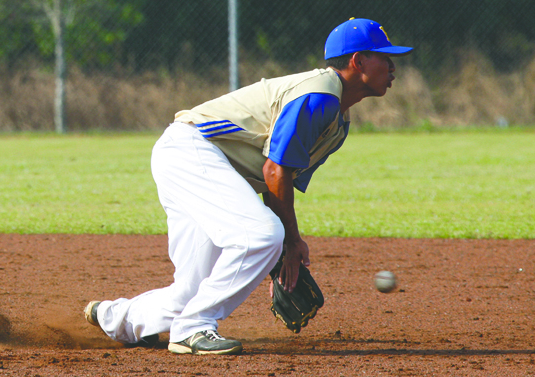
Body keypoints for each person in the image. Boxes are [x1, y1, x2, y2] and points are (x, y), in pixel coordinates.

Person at [84, 18, 413, 355]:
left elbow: (276, 181)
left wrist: (284, 255)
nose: (392, 67)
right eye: (384, 58)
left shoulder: (338, 122)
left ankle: (117, 318)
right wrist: (289, 242)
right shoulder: (320, 97)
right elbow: (274, 171)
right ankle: (192, 329)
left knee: (195, 288)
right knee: (263, 235)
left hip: (199, 161)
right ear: (358, 61)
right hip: (192, 151)